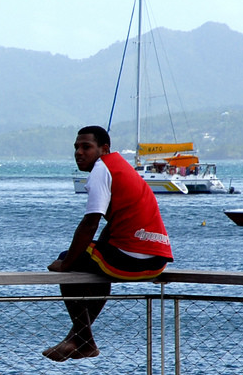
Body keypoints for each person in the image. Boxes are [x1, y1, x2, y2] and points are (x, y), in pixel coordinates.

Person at [44, 125, 172, 361]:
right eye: (76, 147)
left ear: (104, 149)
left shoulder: (102, 170)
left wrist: (65, 264)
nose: (79, 152)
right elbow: (109, 229)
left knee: (67, 259)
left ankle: (84, 341)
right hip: (157, 260)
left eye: (86, 147)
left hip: (133, 258)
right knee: (95, 261)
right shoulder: (120, 166)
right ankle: (78, 339)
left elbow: (90, 223)